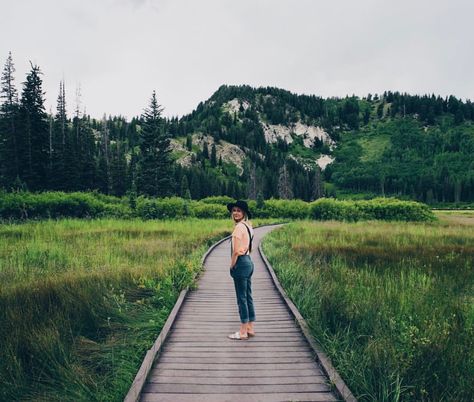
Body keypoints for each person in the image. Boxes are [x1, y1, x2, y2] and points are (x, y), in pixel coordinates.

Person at [226, 200, 255, 340]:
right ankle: (250, 327)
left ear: (243, 213)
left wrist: (232, 266)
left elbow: (236, 251)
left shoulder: (238, 228)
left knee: (241, 298)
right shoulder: (249, 226)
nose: (235, 213)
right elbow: (249, 246)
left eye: (238, 210)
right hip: (249, 262)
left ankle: (243, 331)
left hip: (241, 263)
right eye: (234, 210)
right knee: (248, 296)